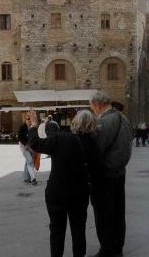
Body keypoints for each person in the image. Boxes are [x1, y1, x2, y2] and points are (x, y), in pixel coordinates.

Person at [26, 109, 100, 257]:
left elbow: (35, 143)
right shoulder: (94, 143)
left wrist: (33, 125)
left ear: (75, 123)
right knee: (79, 230)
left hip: (57, 191)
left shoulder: (61, 139)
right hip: (80, 193)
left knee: (56, 230)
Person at [89, 91, 133, 257]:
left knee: (104, 213)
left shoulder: (105, 122)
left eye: (92, 107)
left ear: (98, 105)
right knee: (118, 212)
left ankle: (107, 250)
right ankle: (117, 247)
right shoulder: (123, 118)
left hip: (105, 174)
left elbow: (96, 149)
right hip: (120, 172)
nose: (93, 110)